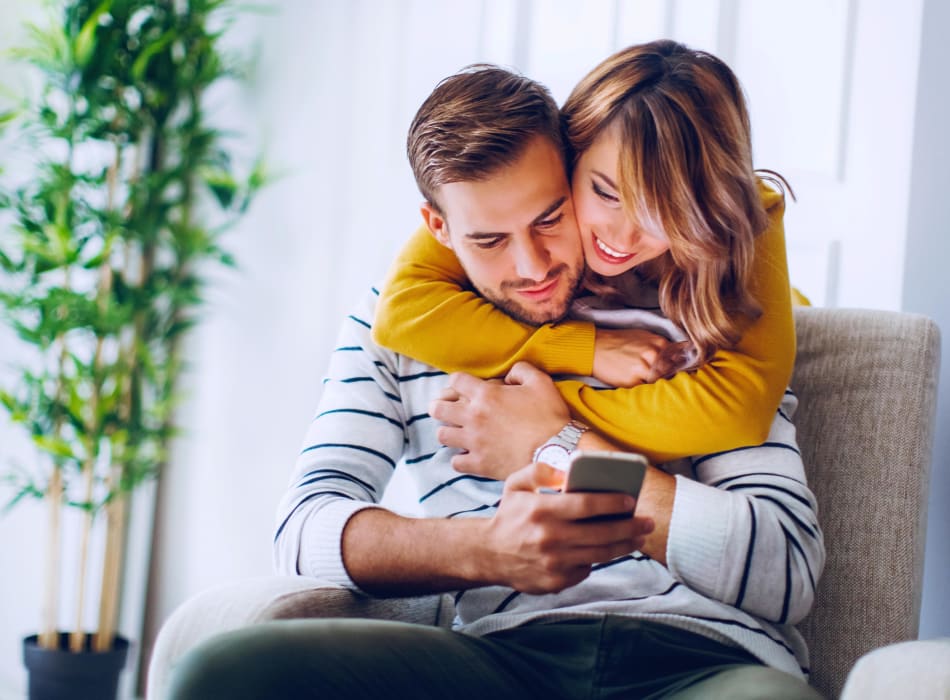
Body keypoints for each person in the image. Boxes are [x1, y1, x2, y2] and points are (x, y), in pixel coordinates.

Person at [166, 49, 824, 700]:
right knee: (223, 673)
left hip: (704, 656)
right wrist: (483, 550)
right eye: (489, 240)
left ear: (569, 168)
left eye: (550, 219)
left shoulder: (701, 311)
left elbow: (786, 573)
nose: (533, 265)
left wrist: (557, 448)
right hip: (504, 655)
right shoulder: (394, 325)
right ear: (438, 228)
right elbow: (304, 531)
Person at [372, 40, 797, 469]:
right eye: (606, 193)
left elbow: (739, 410)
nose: (624, 237)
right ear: (571, 152)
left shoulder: (741, 212)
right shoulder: (509, 192)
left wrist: (540, 420)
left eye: (665, 213)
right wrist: (583, 350)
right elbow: (401, 312)